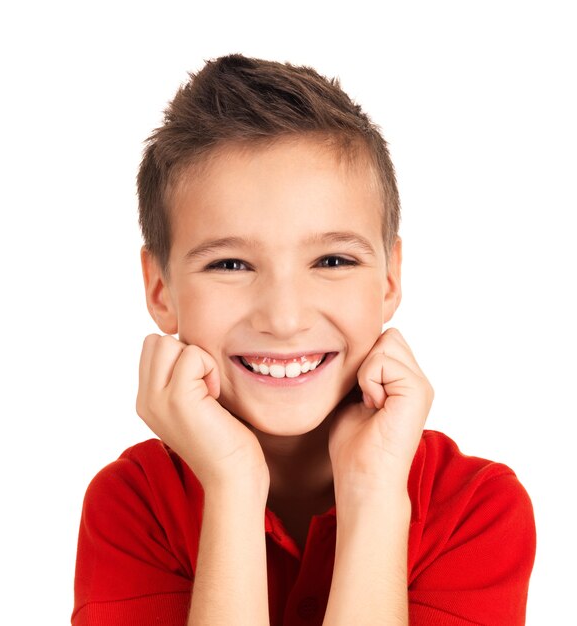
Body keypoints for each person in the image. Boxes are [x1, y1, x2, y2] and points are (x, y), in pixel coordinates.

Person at [72, 53, 536, 626]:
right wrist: (232, 484)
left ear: (390, 279)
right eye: (231, 264)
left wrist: (373, 493)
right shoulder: (133, 505)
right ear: (160, 289)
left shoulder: (475, 507)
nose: (285, 319)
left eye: (332, 259)